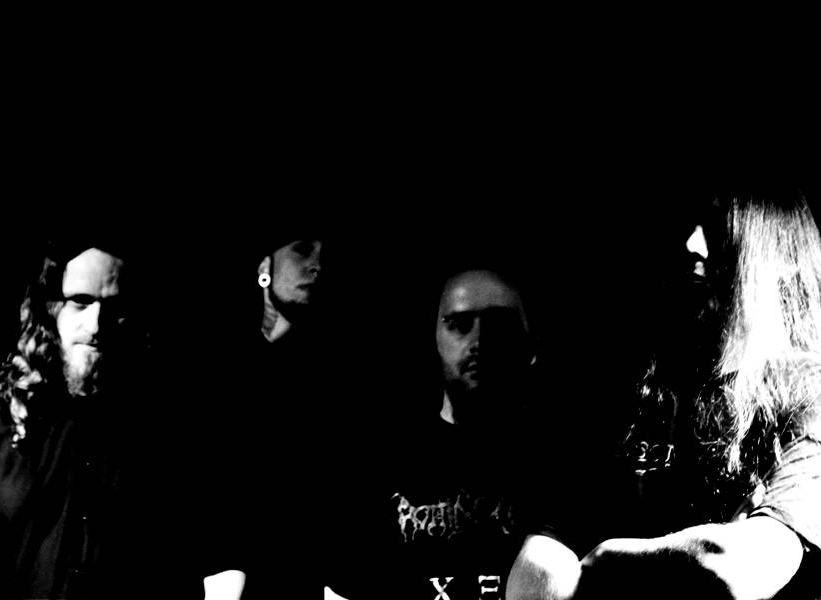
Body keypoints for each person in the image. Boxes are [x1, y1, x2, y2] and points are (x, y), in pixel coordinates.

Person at [506, 189, 821, 599]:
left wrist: (599, 560)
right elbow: (534, 571)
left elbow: (738, 568)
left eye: (718, 228)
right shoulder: (634, 383)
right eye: (690, 224)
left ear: (778, 251)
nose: (693, 245)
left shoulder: (809, 394)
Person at [0, 234, 160, 599]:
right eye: (80, 302)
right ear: (47, 308)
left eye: (114, 306)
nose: (97, 324)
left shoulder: (160, 428)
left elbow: (221, 561)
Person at [326, 259, 541, 600]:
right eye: (459, 325)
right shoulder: (380, 462)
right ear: (434, 339)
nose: (479, 341)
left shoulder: (564, 462)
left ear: (530, 342)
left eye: (499, 324)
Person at [201, 231, 330, 600]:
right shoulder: (221, 368)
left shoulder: (326, 379)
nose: (317, 265)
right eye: (302, 250)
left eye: (323, 255)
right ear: (264, 267)